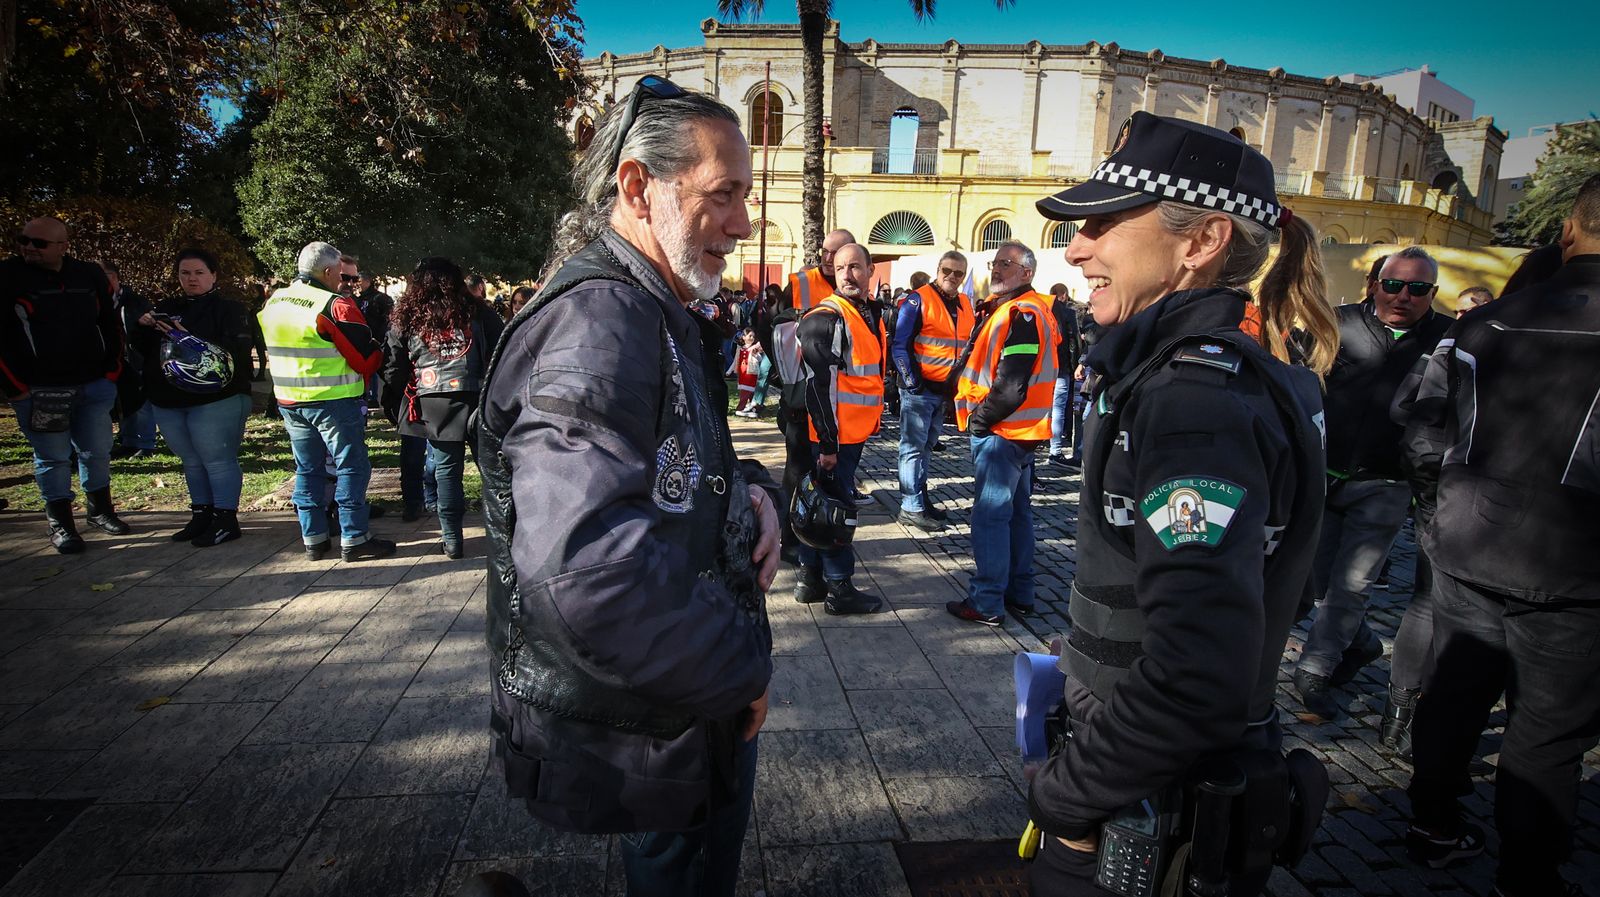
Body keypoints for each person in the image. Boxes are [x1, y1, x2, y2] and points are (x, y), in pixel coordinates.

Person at [477, 75, 779, 897]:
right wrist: (740, 667)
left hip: (670, 701)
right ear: (639, 188)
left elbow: (671, 460)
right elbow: (584, 568)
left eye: (745, 197)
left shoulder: (652, 306)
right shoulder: (601, 320)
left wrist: (753, 492)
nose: (742, 223)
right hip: (662, 710)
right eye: (722, 194)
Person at [1025, 112, 1337, 895]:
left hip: (1148, 798)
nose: (1077, 248)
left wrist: (1064, 794)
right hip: (1144, 773)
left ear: (1201, 241)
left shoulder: (1192, 404)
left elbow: (1197, 674)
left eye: (1102, 223)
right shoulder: (1186, 373)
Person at [1400, 174, 1600, 897]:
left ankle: (1432, 824)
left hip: (1472, 542)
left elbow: (1424, 424)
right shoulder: (1485, 324)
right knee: (1546, 733)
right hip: (1573, 564)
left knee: (1453, 696)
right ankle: (1526, 872)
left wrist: (1443, 498)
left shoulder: (1482, 324)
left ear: (1569, 230)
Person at [1292, 246, 1452, 720]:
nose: (1404, 295)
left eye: (1418, 288)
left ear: (1433, 294)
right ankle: (1359, 643)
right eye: (1394, 284)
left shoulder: (1447, 338)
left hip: (1387, 481)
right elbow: (1296, 383)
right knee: (1316, 581)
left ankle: (1315, 669)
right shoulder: (1334, 323)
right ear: (1374, 284)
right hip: (1322, 474)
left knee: (1353, 583)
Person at [0, 216, 130, 552]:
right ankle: (61, 525)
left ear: (62, 245)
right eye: (23, 240)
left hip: (93, 384)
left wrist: (111, 372)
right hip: (40, 390)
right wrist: (16, 388)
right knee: (53, 457)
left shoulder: (87, 275)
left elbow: (111, 323)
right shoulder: (7, 277)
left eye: (39, 243)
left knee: (97, 451)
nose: (29, 247)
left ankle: (100, 511)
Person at [946, 240, 1059, 624]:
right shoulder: (1025, 310)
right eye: (995, 263)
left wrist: (981, 420)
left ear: (1027, 273)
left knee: (992, 515)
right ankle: (1020, 593)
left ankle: (987, 601)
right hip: (1020, 430)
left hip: (1004, 430)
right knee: (1016, 514)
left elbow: (1012, 385)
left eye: (1007, 264)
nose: (996, 269)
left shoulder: (1022, 313)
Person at [259, 241, 393, 562]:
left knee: (307, 469)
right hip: (333, 400)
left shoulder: (274, 301)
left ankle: (314, 539)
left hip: (290, 401)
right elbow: (365, 360)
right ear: (329, 271)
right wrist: (381, 349)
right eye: (341, 276)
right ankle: (355, 537)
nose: (344, 283)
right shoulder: (334, 306)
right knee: (351, 468)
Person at [382, 257, 502, 558]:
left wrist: (394, 399)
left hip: (433, 401)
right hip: (478, 397)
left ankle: (452, 541)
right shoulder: (478, 311)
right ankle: (504, 536)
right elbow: (503, 350)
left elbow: (393, 365)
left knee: (447, 473)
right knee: (492, 471)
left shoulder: (407, 318)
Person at [133, 248, 255, 546]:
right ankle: (202, 513)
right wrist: (143, 327)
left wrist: (187, 335)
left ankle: (226, 518)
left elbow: (236, 352)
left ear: (213, 275)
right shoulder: (166, 306)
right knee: (191, 459)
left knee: (217, 459)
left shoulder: (230, 309)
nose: (192, 279)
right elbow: (142, 349)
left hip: (216, 399)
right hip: (169, 399)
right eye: (185, 273)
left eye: (199, 272)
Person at [792, 242, 885, 616]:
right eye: (842, 267)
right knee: (835, 511)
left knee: (821, 503)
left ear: (869, 270)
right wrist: (828, 444)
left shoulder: (860, 313)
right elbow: (818, 386)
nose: (848, 274)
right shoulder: (827, 316)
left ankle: (809, 579)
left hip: (849, 433)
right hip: (833, 437)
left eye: (855, 267)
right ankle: (840, 589)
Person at [768, 227, 855, 558]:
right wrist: (786, 384)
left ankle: (818, 542)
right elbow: (774, 333)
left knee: (826, 478)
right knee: (797, 470)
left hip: (838, 404)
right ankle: (790, 541)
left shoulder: (855, 288)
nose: (831, 259)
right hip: (802, 397)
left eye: (838, 252)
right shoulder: (801, 284)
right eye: (826, 252)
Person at [892, 250, 973, 531]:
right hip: (919, 389)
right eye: (946, 271)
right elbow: (900, 344)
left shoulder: (964, 303)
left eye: (958, 273)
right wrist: (912, 381)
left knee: (926, 447)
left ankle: (920, 499)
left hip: (944, 390)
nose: (952, 277)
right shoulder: (918, 300)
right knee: (912, 448)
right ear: (937, 270)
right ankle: (910, 506)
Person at [103, 260, 159, 459]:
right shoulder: (95, 301)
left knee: (142, 405)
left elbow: (150, 328)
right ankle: (128, 441)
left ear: (116, 277)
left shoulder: (135, 301)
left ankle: (145, 443)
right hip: (111, 362)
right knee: (124, 404)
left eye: (107, 276)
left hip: (135, 359)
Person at [1046, 283, 1082, 467]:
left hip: (1044, 369)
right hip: (1062, 369)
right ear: (1064, 295)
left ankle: (1041, 440)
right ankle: (1055, 450)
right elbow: (1074, 342)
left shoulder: (1041, 309)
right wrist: (1076, 365)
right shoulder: (1068, 313)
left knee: (1046, 408)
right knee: (1058, 410)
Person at [728, 329, 765, 417]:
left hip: (751, 373)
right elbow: (736, 361)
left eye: (753, 336)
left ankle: (745, 407)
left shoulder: (754, 348)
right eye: (750, 336)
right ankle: (745, 408)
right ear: (744, 337)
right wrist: (729, 370)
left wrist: (755, 354)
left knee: (748, 391)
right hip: (742, 374)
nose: (752, 338)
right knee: (746, 391)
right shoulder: (740, 349)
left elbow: (759, 359)